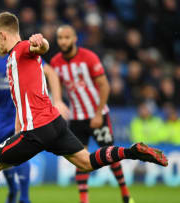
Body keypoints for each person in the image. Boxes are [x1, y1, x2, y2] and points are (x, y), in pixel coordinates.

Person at [0, 12, 168, 203]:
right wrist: (17, 132)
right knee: (86, 162)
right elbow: (21, 101)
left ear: (3, 35)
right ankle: (132, 151)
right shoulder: (17, 57)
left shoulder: (21, 49)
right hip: (54, 124)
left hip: (37, 130)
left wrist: (41, 42)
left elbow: (41, 47)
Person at [50, 24, 134, 203]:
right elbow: (55, 86)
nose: (63, 41)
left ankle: (126, 195)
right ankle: (84, 200)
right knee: (80, 158)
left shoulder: (89, 57)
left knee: (111, 156)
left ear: (74, 39)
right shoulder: (56, 62)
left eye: (67, 37)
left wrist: (97, 114)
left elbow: (105, 85)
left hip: (98, 115)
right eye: (60, 38)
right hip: (77, 118)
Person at [0, 44, 63, 203]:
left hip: (23, 115)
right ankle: (13, 189)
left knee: (22, 153)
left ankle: (25, 197)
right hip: (1, 118)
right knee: (1, 156)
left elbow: (51, 73)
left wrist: (59, 100)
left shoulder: (21, 52)